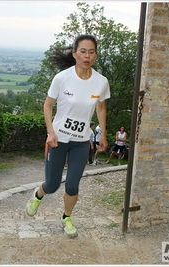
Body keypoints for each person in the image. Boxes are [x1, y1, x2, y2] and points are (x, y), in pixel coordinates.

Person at [25, 34, 110, 238]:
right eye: (82, 51)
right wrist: (50, 132)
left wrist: (103, 134)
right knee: (52, 185)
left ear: (95, 55)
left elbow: (101, 107)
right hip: (58, 139)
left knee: (72, 185)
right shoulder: (62, 78)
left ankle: (66, 218)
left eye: (91, 52)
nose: (86, 56)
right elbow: (47, 105)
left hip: (81, 141)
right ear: (74, 53)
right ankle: (38, 195)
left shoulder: (101, 82)